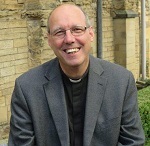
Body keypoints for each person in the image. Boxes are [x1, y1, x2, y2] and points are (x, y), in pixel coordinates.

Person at [8, 3, 145, 146]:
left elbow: (132, 142)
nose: (69, 39)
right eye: (59, 32)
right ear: (49, 40)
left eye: (77, 29)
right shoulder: (26, 88)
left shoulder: (121, 82)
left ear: (91, 34)